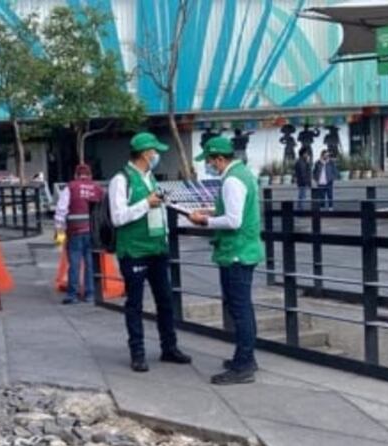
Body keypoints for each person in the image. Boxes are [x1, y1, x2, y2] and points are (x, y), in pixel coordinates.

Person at [109, 132, 192, 373]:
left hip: (157, 248)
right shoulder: (121, 180)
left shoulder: (150, 178)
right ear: (145, 154)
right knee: (135, 304)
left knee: (165, 300)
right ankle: (137, 353)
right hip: (134, 250)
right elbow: (118, 217)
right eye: (154, 152)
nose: (157, 156)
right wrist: (146, 203)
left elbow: (161, 208)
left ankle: (169, 347)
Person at [188, 136, 265, 385]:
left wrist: (205, 221)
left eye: (210, 161)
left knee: (239, 310)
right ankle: (246, 358)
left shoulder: (232, 180)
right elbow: (237, 210)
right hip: (245, 250)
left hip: (236, 252)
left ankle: (244, 365)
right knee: (243, 308)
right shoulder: (244, 174)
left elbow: (233, 220)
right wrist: (211, 211)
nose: (209, 166)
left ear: (220, 159)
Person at [54, 163, 103, 304]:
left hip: (75, 232)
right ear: (90, 175)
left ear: (76, 175)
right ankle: (90, 294)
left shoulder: (71, 187)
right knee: (90, 263)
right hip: (93, 233)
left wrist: (59, 235)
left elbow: (60, 212)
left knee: (74, 263)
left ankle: (73, 295)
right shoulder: (97, 189)